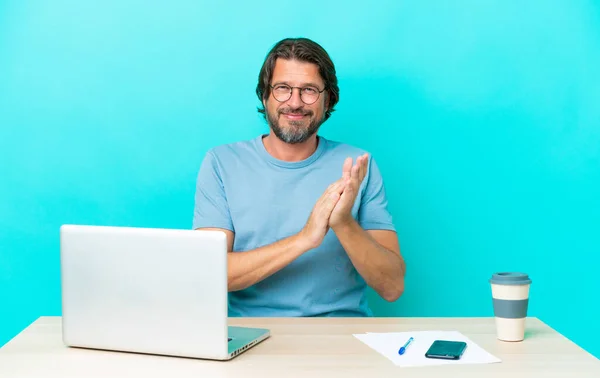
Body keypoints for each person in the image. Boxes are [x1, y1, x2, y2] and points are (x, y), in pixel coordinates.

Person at [193, 37, 406, 317]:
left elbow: (391, 287)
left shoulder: (357, 166)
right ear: (264, 95)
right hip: (252, 337)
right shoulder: (222, 163)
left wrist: (342, 222)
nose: (295, 103)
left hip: (342, 337)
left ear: (327, 98)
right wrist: (306, 238)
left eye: (309, 90)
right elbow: (210, 275)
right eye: (282, 88)